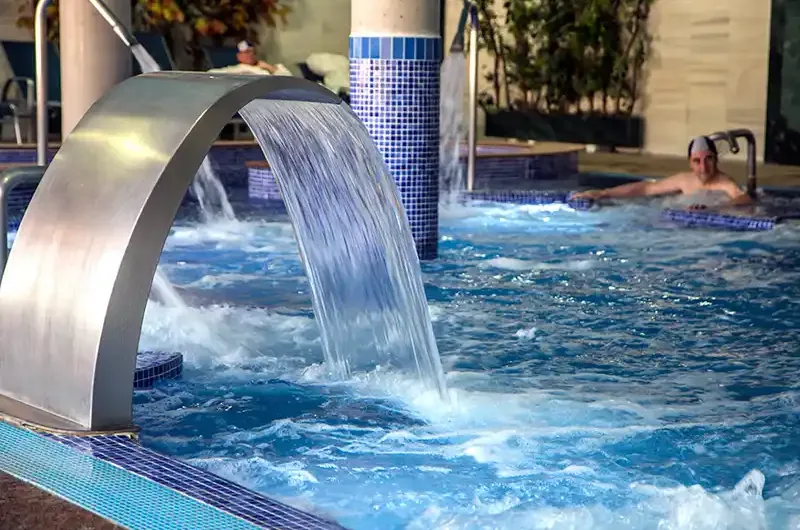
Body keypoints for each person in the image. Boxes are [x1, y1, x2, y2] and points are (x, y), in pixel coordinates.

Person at [571, 136, 754, 208]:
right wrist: (603, 193)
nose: (703, 167)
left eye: (709, 160)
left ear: (716, 160)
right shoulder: (685, 180)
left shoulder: (724, 183)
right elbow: (646, 189)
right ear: (690, 163)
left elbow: (743, 198)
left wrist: (715, 209)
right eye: (697, 161)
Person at [207, 40, 293, 77]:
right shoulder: (235, 69)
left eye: (252, 52)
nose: (250, 55)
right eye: (247, 52)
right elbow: (211, 74)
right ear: (239, 56)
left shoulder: (266, 67)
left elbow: (289, 79)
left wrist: (270, 68)